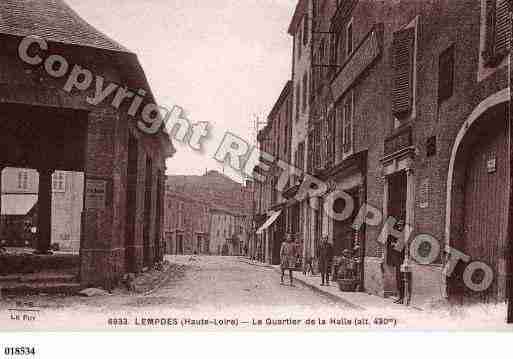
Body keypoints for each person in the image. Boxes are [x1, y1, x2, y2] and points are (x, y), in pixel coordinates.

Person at [387, 220, 406, 304]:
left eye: (401, 226)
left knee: (401, 278)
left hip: (402, 260)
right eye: (398, 226)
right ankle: (400, 297)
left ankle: (402, 297)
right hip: (398, 260)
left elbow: (402, 246)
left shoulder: (404, 235)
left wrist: (395, 245)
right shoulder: (398, 234)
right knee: (398, 278)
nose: (399, 227)